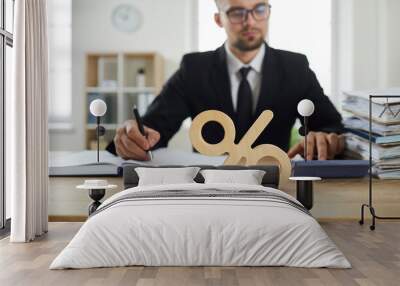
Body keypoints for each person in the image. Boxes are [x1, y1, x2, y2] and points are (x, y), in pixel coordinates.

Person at [107, 0, 345, 161]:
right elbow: (153, 130)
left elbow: (333, 126)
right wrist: (133, 137)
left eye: (259, 9)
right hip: (210, 192)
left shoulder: (295, 68)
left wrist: (325, 137)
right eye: (237, 12)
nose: (250, 21)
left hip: (275, 189)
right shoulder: (193, 69)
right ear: (219, 19)